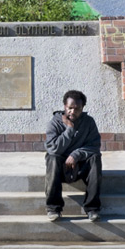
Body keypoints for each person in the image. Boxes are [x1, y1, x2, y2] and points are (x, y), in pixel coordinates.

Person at [44, 89, 102, 221]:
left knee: (95, 158)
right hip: (61, 166)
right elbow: (53, 148)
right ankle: (54, 208)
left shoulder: (89, 122)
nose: (72, 112)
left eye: (77, 108)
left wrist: (76, 155)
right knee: (52, 158)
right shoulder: (55, 122)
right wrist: (69, 129)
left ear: (82, 108)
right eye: (70, 108)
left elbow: (94, 146)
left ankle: (92, 208)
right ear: (64, 106)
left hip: (80, 165)